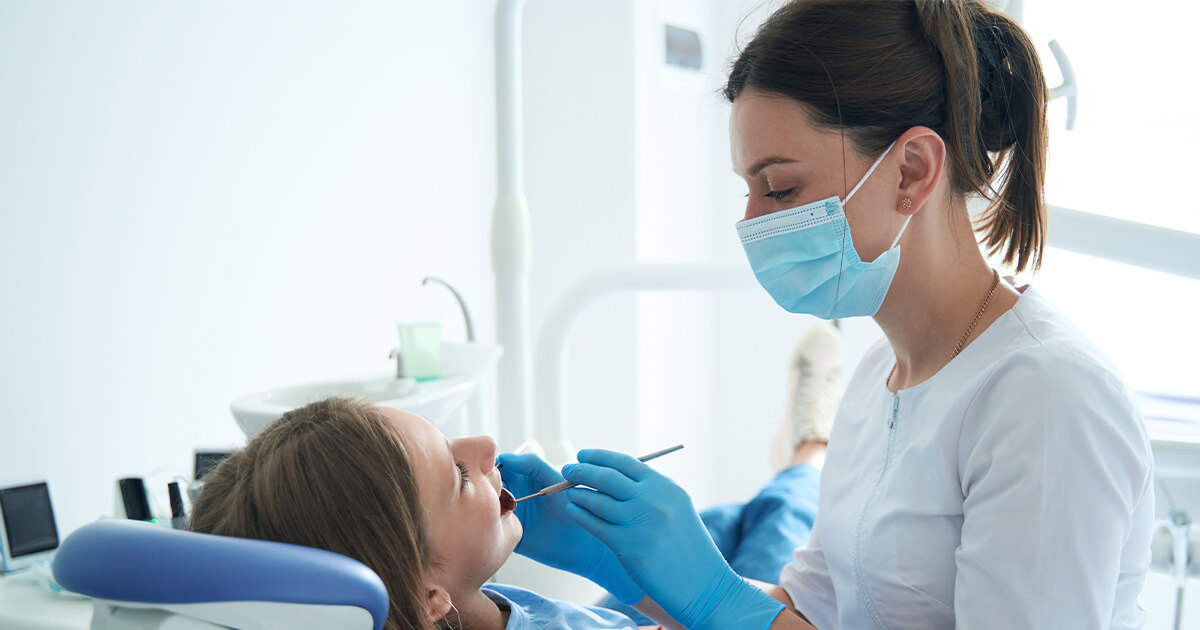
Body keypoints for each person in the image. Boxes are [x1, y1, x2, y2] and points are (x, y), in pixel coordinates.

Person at [508, 1, 1155, 629]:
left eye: (781, 187)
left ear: (911, 170)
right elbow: (813, 610)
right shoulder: (880, 374)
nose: (750, 223)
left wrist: (714, 598)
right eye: (749, 189)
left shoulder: (1045, 398)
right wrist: (628, 566)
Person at [188, 362, 835, 630]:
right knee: (775, 524)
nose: (486, 445)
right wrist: (690, 595)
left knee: (720, 521)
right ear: (424, 594)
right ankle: (810, 450)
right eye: (457, 473)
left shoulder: (459, 610)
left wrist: (625, 572)